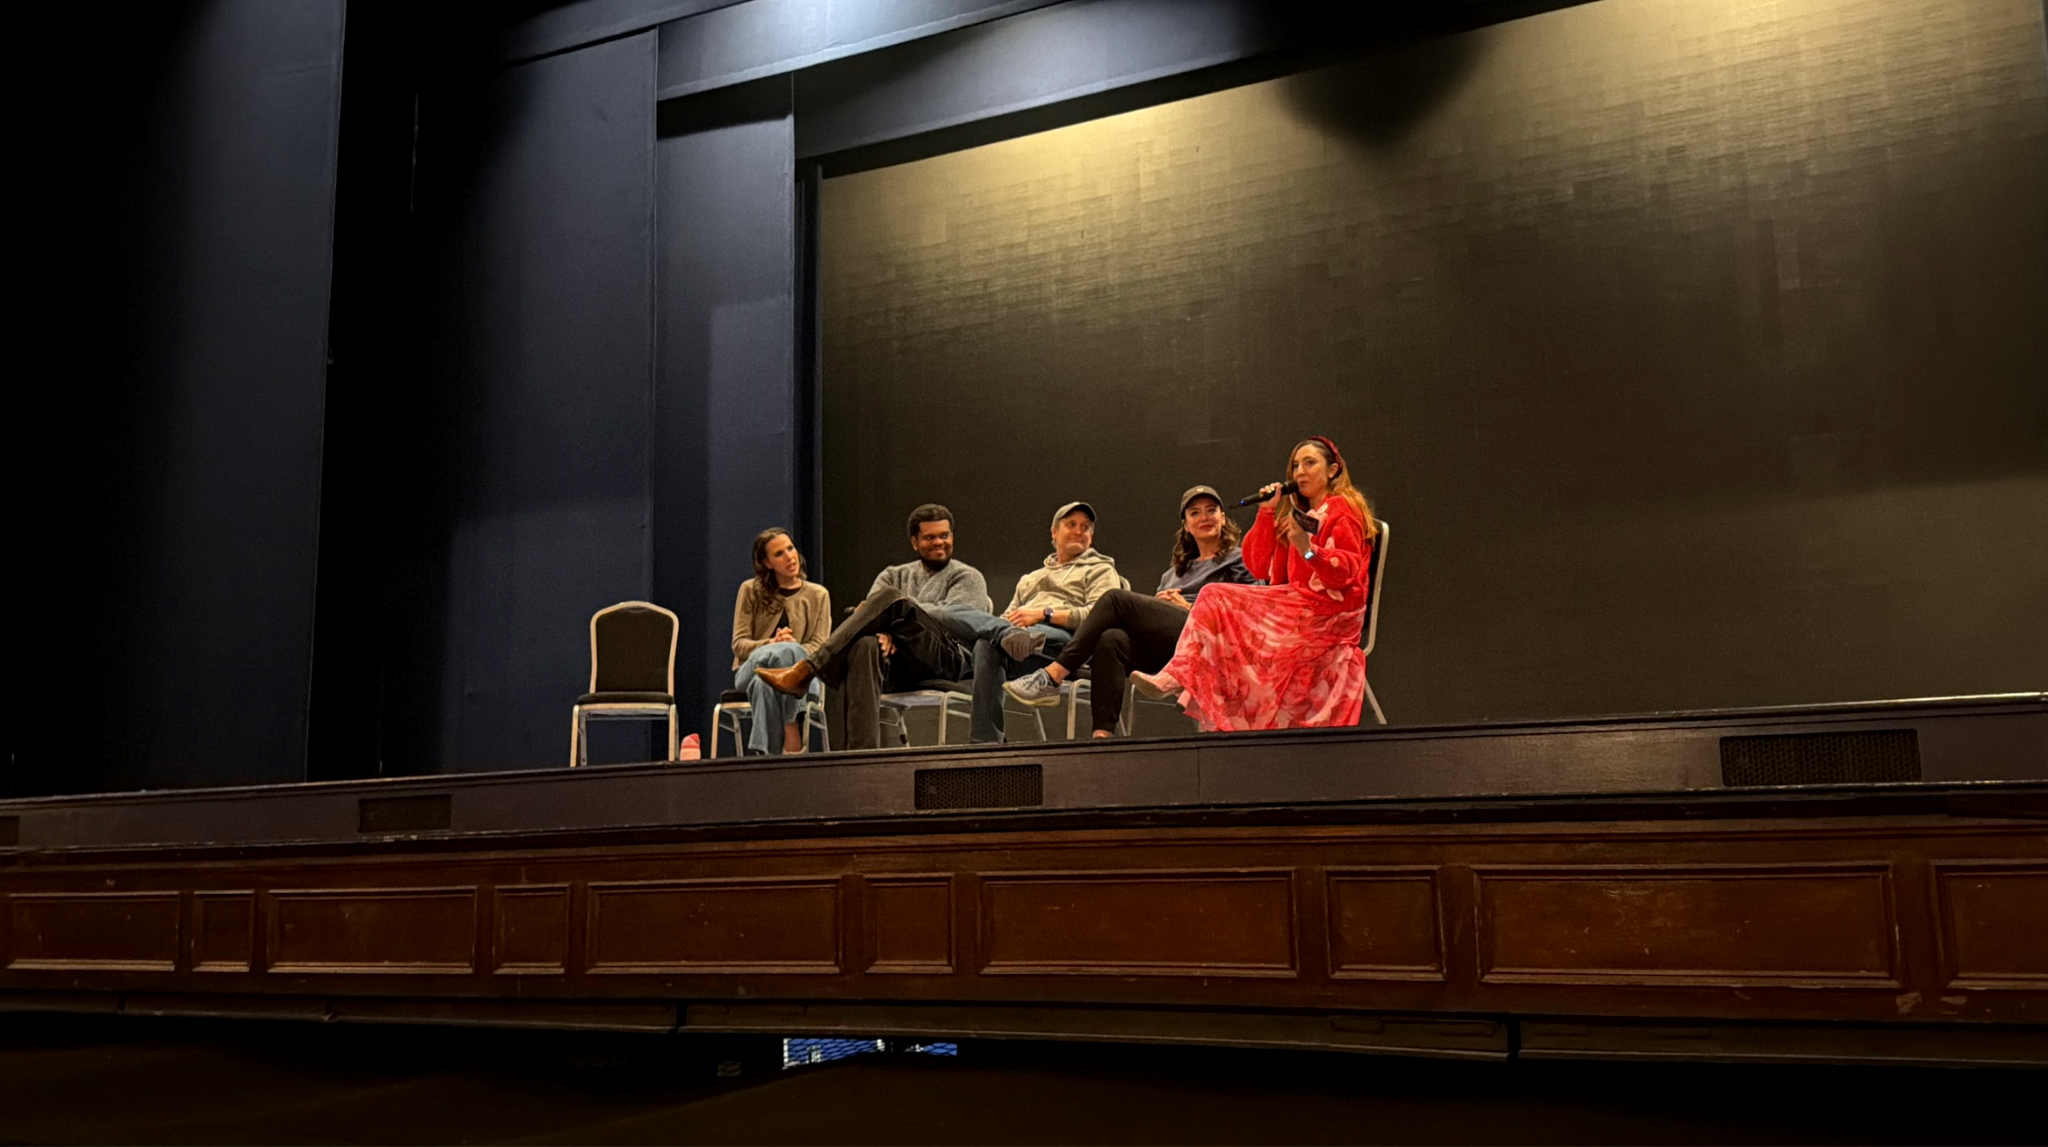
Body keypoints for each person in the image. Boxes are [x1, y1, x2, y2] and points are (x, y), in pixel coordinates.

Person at [1133, 437, 1378, 730]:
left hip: (1331, 615)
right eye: (1295, 466)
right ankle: (1181, 677)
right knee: (1216, 605)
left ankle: (1178, 676)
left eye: (1310, 463)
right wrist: (1266, 512)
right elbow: (1257, 566)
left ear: (1333, 470)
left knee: (1213, 595)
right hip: (1298, 607)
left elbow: (1345, 573)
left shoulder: (1343, 510)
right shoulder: (1297, 516)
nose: (1300, 472)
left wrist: (1307, 550)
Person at [1002, 485, 1257, 736]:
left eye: (1211, 510)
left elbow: (1251, 610)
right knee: (1111, 639)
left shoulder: (1239, 558)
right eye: (1195, 513)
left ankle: (1053, 675)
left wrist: (1190, 608)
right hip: (1173, 646)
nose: (1204, 517)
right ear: (1186, 525)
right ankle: (1102, 736)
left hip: (1212, 638)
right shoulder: (1173, 574)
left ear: (1223, 518)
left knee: (1115, 598)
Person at [755, 504, 991, 750]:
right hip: (900, 664)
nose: (939, 542)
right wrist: (884, 629)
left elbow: (955, 619)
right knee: (866, 644)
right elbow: (866, 613)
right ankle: (860, 756)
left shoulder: (967, 576)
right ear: (914, 542)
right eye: (930, 537)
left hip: (946, 658)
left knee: (891, 598)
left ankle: (808, 669)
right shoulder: (893, 574)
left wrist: (896, 619)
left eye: (945, 535)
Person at [931, 502, 1125, 742]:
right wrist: (1007, 626)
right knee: (981, 640)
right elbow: (1009, 615)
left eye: (1085, 527)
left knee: (982, 635)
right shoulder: (1030, 579)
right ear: (1054, 532)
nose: (1078, 531)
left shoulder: (1100, 570)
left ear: (1091, 537)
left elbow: (1099, 616)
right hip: (1023, 645)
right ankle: (987, 742)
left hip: (1067, 646)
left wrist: (1044, 613)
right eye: (1071, 525)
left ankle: (998, 634)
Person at [730, 528, 832, 754]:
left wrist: (790, 648)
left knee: (765, 684)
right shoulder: (749, 591)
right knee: (785, 651)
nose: (789, 557)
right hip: (752, 671)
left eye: (790, 548)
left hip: (804, 677)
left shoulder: (818, 595)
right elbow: (739, 645)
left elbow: (819, 648)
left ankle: (766, 756)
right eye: (779, 554)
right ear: (767, 563)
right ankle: (791, 727)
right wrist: (771, 644)